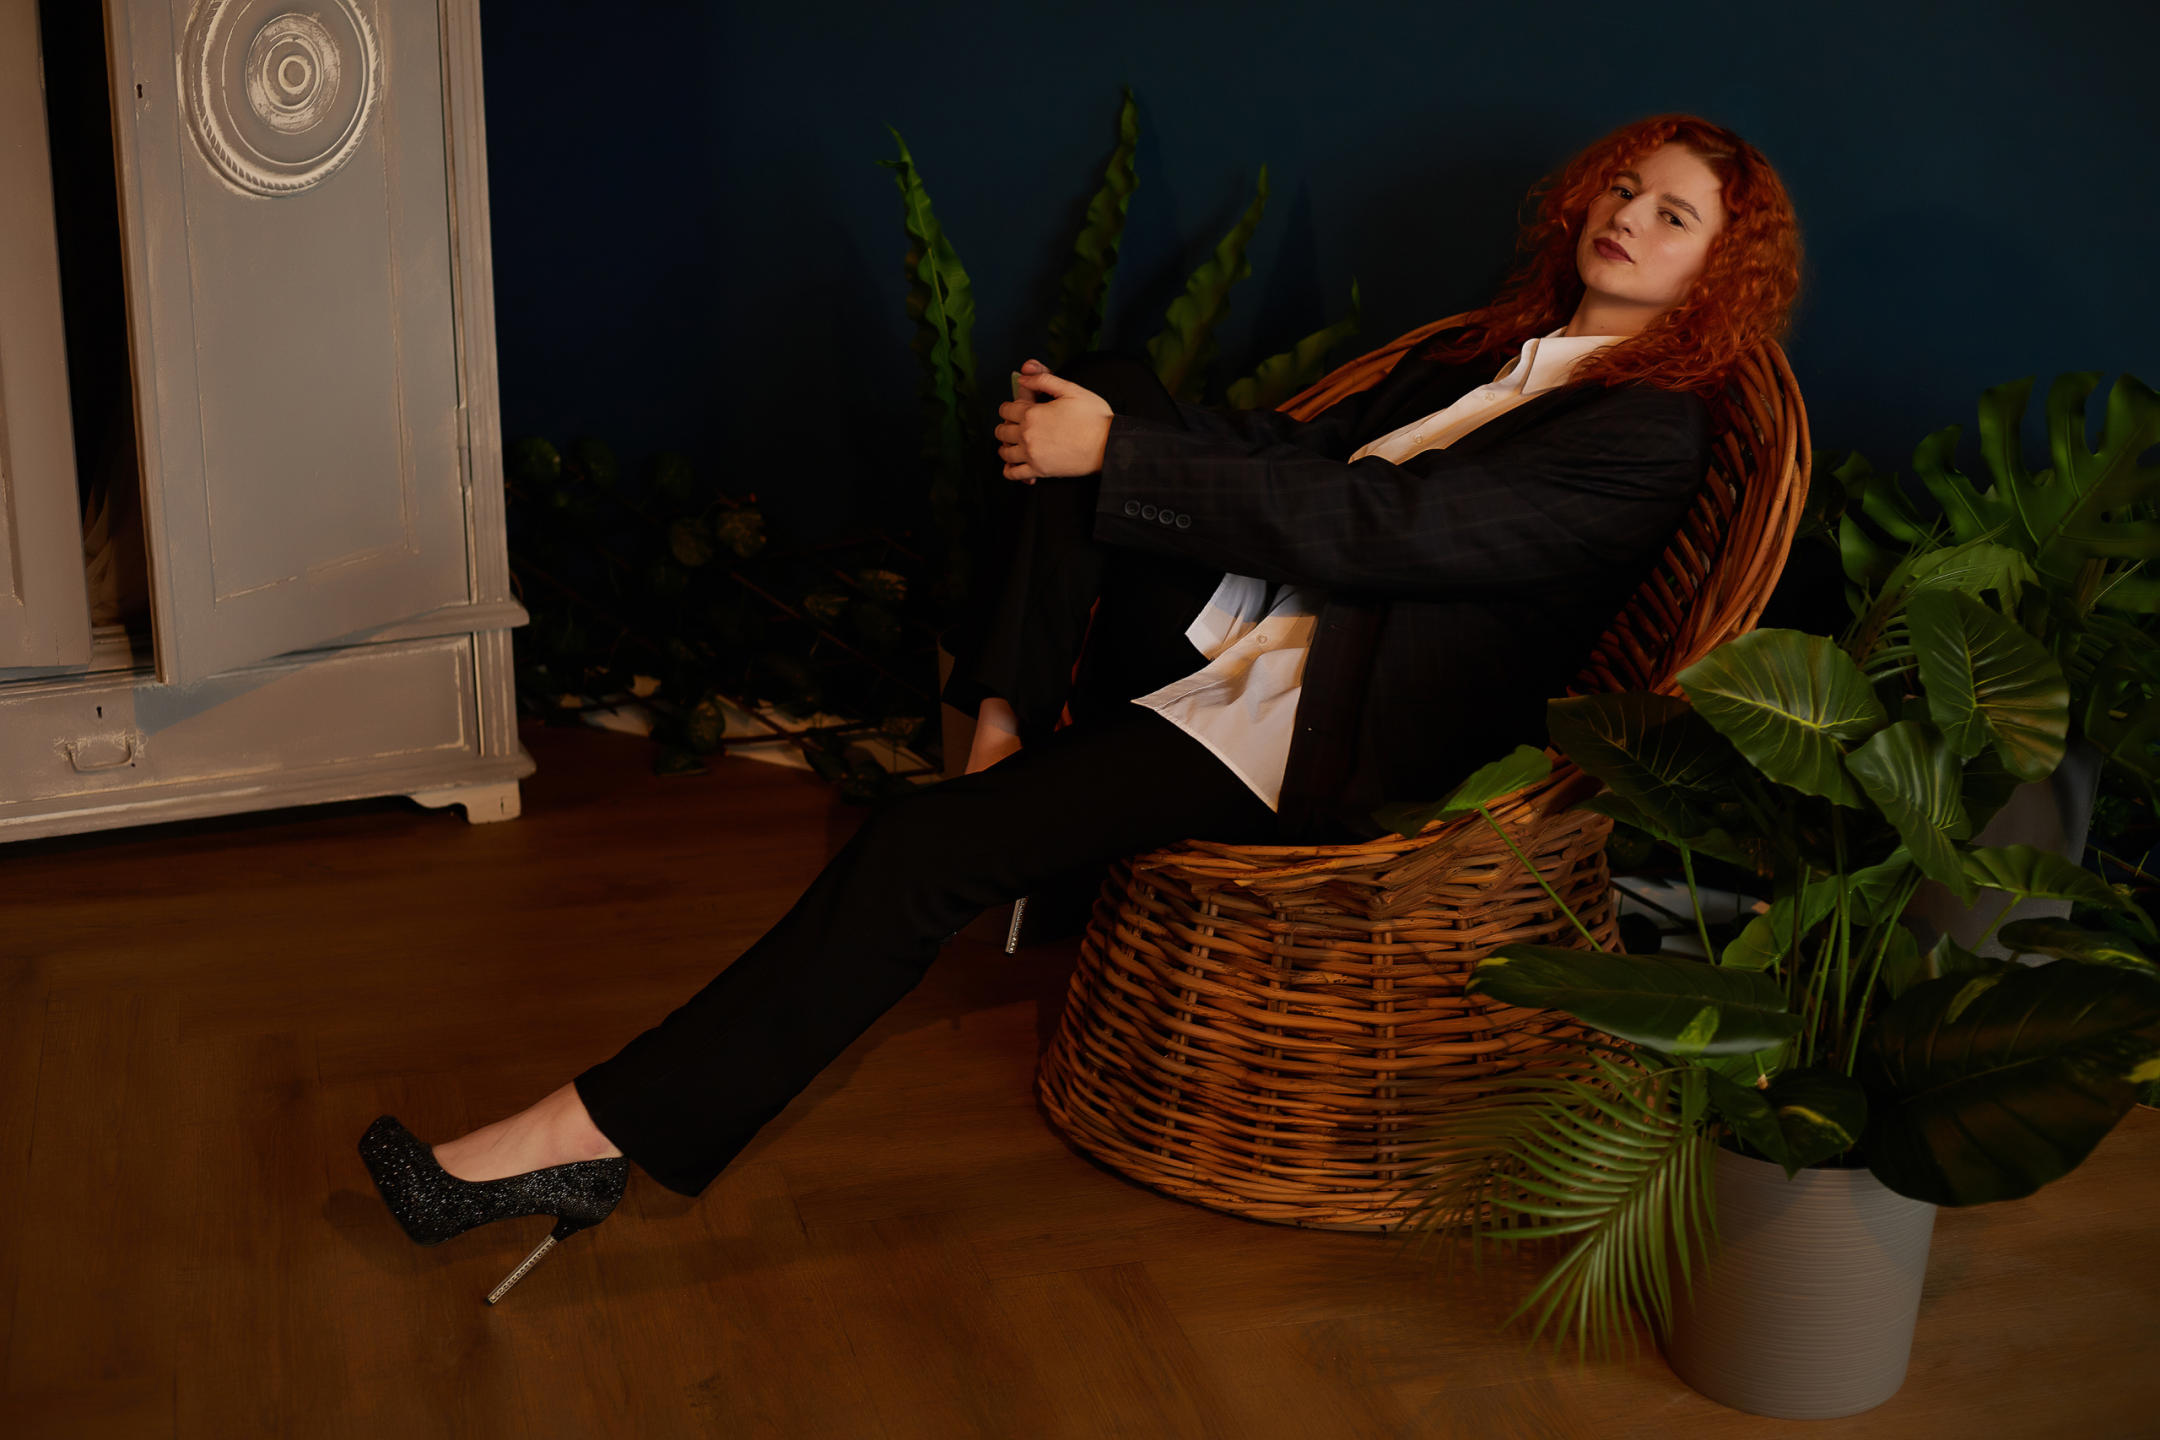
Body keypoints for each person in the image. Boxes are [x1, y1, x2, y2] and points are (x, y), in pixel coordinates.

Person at [360, 112, 1803, 1303]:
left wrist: (1117, 459)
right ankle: (1001, 723)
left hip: (1321, 725)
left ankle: (583, 1138)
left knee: (917, 852)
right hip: (1244, 635)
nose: (1630, 216)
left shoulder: (1646, 433)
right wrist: (1106, 428)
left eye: (1674, 216)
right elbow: (1291, 451)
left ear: (1719, 273)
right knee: (1098, 383)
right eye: (1625, 187)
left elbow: (1388, 532)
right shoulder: (1491, 351)